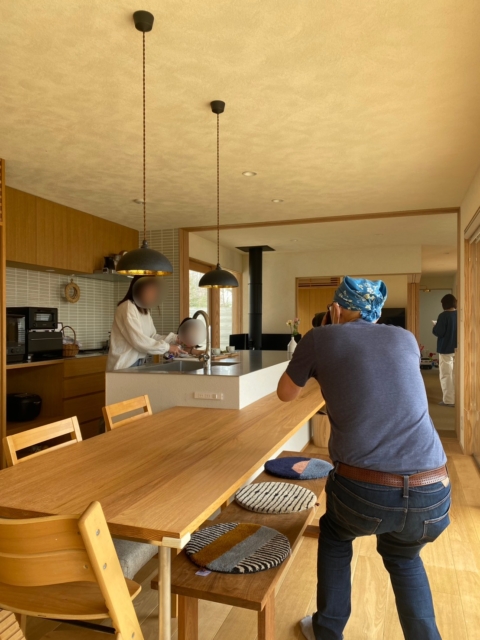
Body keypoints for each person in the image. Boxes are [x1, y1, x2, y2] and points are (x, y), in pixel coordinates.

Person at [277, 276, 449, 640]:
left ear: (336, 308)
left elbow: (286, 394)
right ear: (377, 313)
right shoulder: (405, 338)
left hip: (366, 491)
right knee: (404, 558)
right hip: (433, 489)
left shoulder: (320, 337)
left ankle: (327, 630)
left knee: (336, 535)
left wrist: (324, 335)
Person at [107, 276, 185, 371]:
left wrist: (174, 339)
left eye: (154, 291)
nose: (153, 295)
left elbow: (152, 337)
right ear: (138, 289)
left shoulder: (144, 311)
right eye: (150, 291)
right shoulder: (127, 307)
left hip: (137, 364)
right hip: (123, 366)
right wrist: (168, 347)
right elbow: (139, 341)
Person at [432, 294, 457, 407]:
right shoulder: (459, 314)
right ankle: (458, 398)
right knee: (456, 375)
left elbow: (439, 332)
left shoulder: (443, 316)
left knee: (446, 375)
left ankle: (449, 400)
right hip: (458, 349)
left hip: (446, 349)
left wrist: (435, 326)